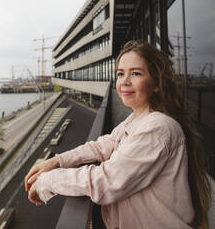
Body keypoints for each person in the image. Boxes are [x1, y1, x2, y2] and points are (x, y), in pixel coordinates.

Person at [25, 40, 212, 229]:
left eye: (136, 73)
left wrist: (48, 181)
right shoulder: (136, 119)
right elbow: (103, 144)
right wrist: (58, 160)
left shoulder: (158, 128)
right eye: (120, 73)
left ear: (156, 83)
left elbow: (105, 182)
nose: (124, 81)